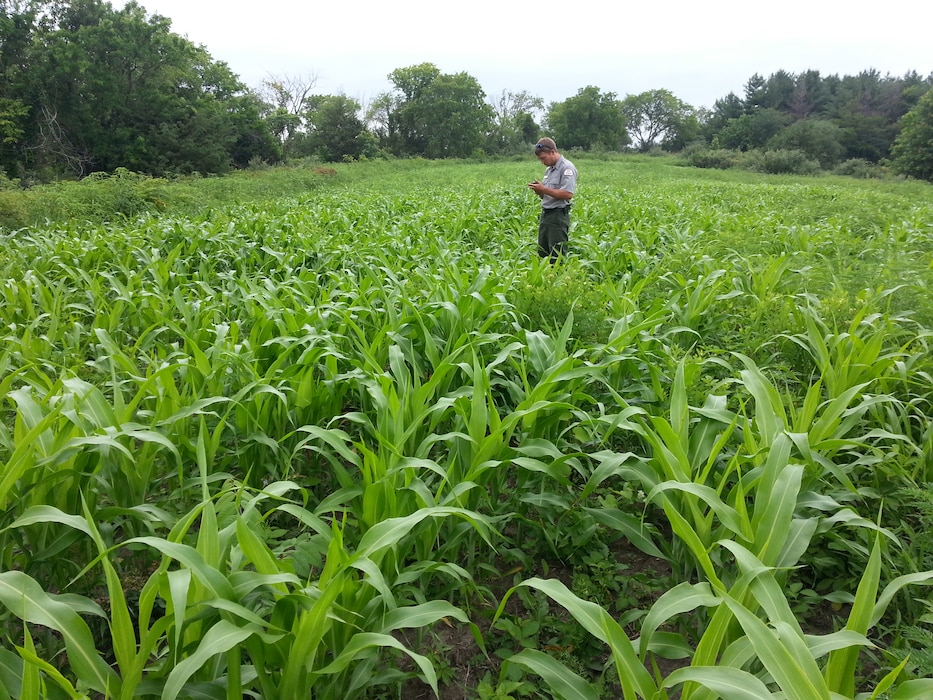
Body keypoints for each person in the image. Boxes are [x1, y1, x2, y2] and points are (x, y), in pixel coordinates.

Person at [528, 137, 577, 261]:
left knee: (557, 256)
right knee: (543, 253)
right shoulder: (549, 170)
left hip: (558, 217)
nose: (542, 162)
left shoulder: (567, 168)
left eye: (543, 158)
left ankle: (558, 279)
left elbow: (567, 194)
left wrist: (544, 189)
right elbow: (549, 195)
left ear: (552, 152)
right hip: (546, 216)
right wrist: (540, 191)